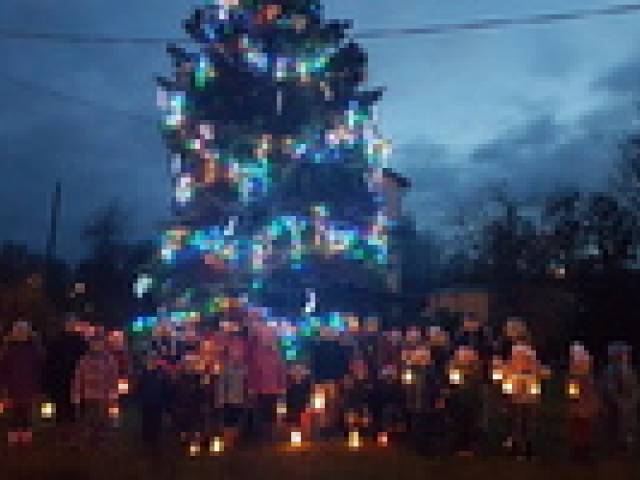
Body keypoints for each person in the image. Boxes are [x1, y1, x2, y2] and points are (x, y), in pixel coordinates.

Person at [71, 334, 120, 447]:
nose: (96, 346)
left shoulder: (109, 359)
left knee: (103, 418)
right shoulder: (84, 359)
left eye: (99, 343)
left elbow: (113, 376)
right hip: (88, 394)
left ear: (103, 344)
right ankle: (89, 437)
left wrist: (113, 392)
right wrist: (76, 393)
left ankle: (102, 438)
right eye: (94, 343)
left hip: (104, 395)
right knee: (89, 417)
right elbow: (78, 377)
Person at [0, 320, 43, 446]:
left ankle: (25, 435)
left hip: (29, 386)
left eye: (23, 331)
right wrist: (4, 386)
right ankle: (14, 434)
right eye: (18, 331)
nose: (21, 334)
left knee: (26, 412)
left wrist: (37, 385)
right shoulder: (8, 349)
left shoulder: (34, 349)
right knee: (14, 412)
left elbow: (39, 367)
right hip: (12, 386)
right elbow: (3, 368)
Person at [44, 315, 88, 430]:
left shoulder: (82, 343)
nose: (71, 326)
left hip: (76, 380)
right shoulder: (56, 342)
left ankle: (73, 431)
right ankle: (61, 431)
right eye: (69, 323)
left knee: (75, 409)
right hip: (59, 381)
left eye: (73, 323)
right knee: (60, 408)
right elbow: (49, 363)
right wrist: (48, 382)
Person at [601, 342, 639, 456]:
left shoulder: (630, 371)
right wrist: (619, 401)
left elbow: (635, 387)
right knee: (615, 422)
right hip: (615, 404)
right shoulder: (609, 371)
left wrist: (632, 401)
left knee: (629, 422)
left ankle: (627, 441)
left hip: (628, 404)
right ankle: (616, 443)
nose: (626, 357)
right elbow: (609, 389)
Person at [566, 342, 600, 463]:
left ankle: (582, 451)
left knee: (582, 428)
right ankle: (580, 451)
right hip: (581, 407)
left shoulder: (581, 377)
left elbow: (575, 394)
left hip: (583, 407)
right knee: (581, 428)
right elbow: (574, 394)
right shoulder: (579, 377)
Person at [137, 358, 171, 456]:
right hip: (152, 402)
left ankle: (150, 440)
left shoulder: (150, 375)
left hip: (153, 402)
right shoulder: (157, 375)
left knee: (151, 421)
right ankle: (150, 440)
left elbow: (140, 387)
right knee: (151, 421)